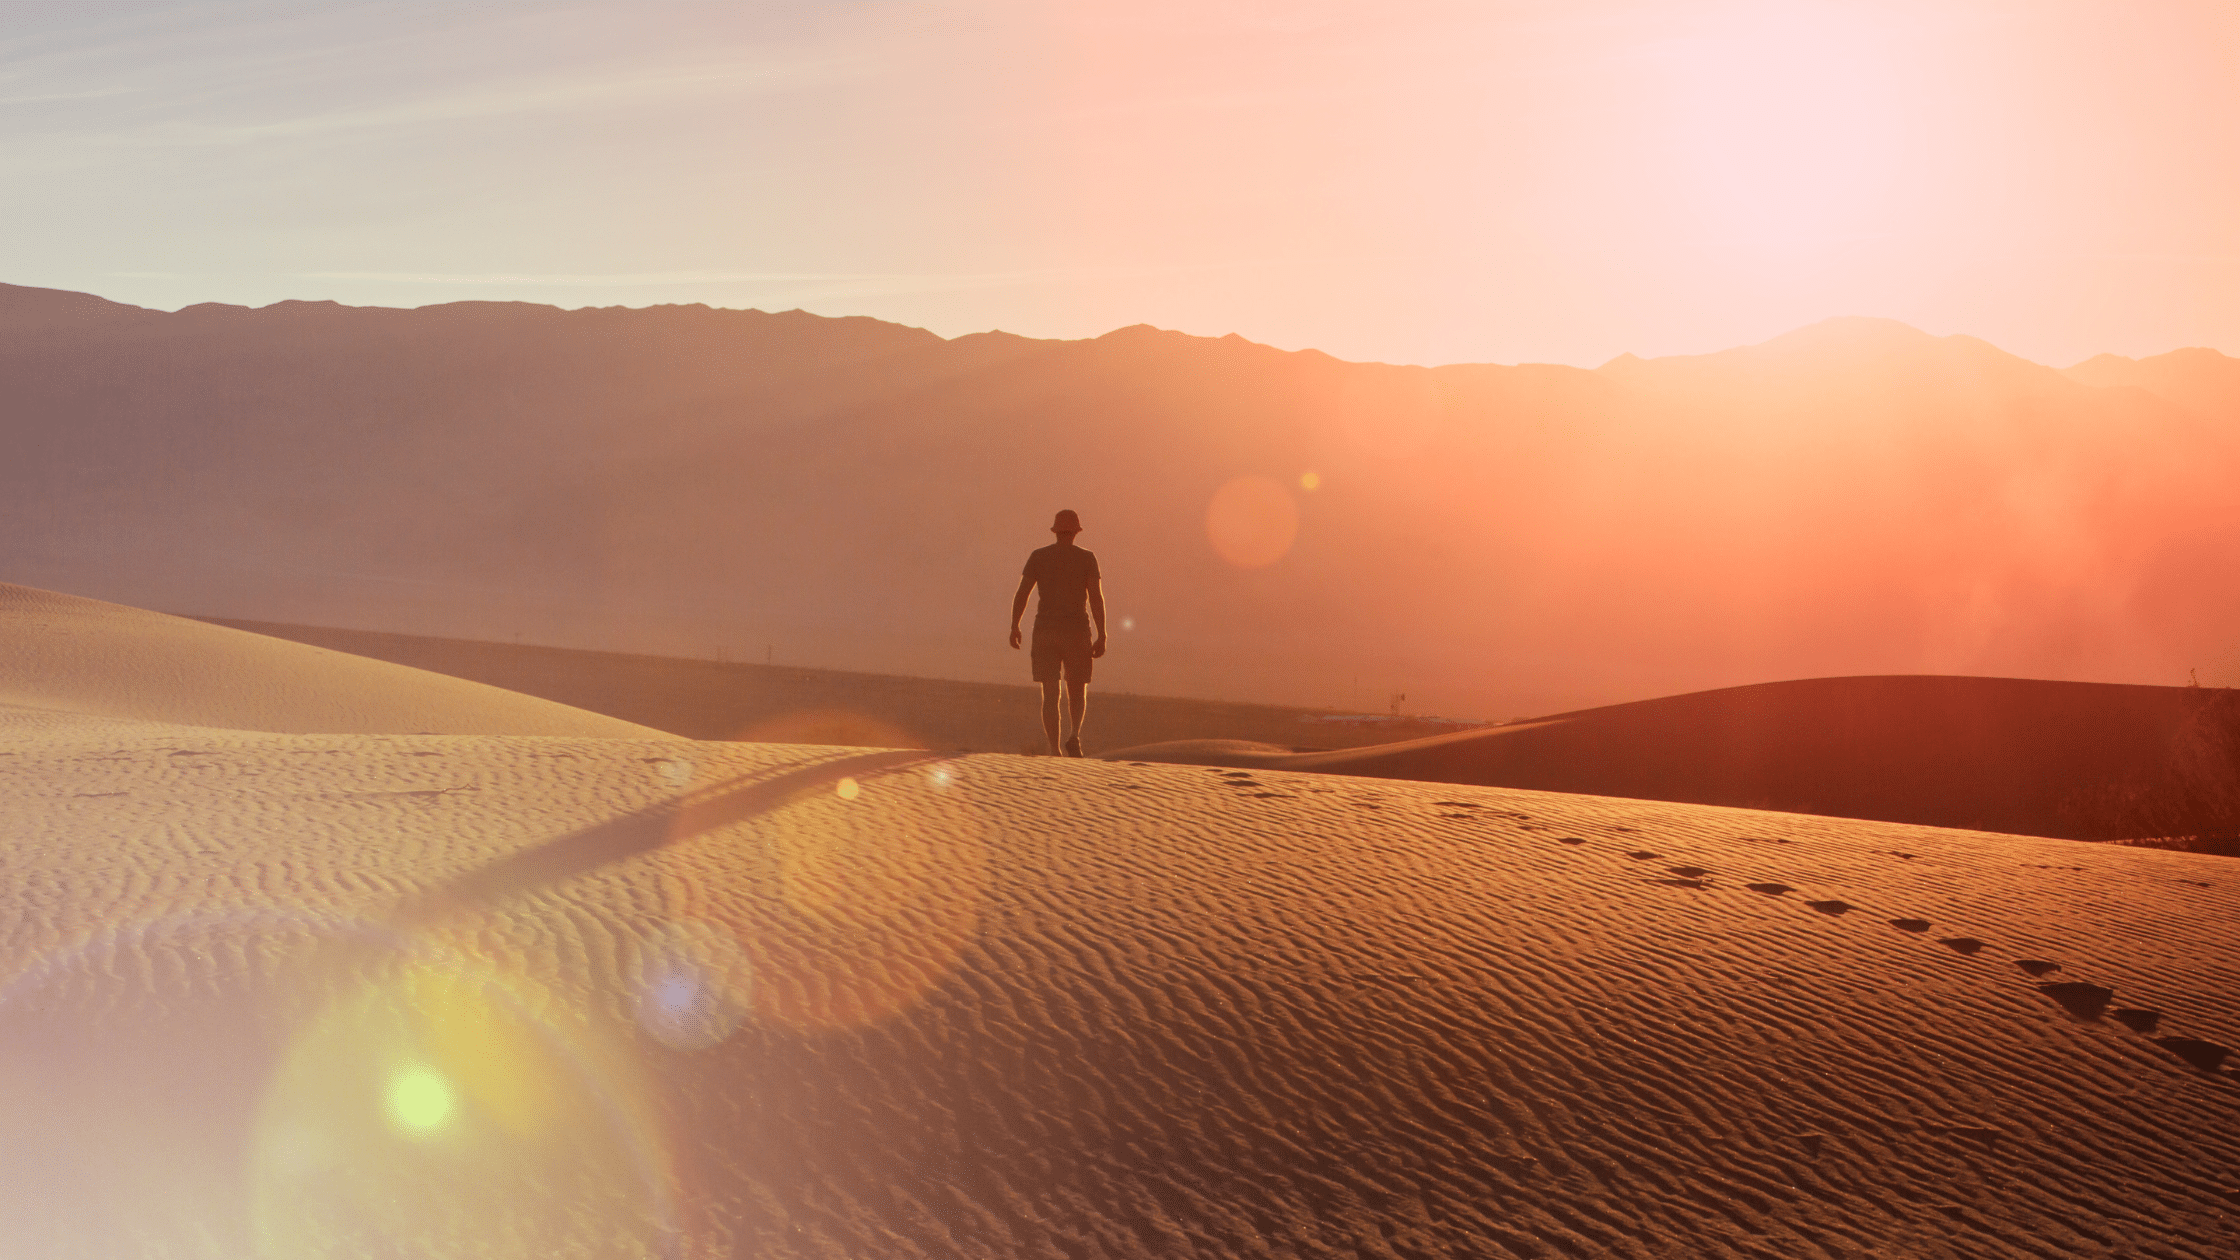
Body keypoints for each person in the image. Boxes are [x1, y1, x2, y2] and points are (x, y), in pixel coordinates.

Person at [1009, 509, 1107, 756]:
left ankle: (1054, 749)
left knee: (1050, 693)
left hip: (1045, 631)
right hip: (1077, 631)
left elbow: (1023, 593)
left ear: (1055, 531)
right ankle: (1074, 734)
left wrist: (1015, 625)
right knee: (1077, 688)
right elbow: (1096, 597)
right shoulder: (1087, 558)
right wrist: (1102, 633)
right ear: (1075, 532)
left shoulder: (1039, 556)